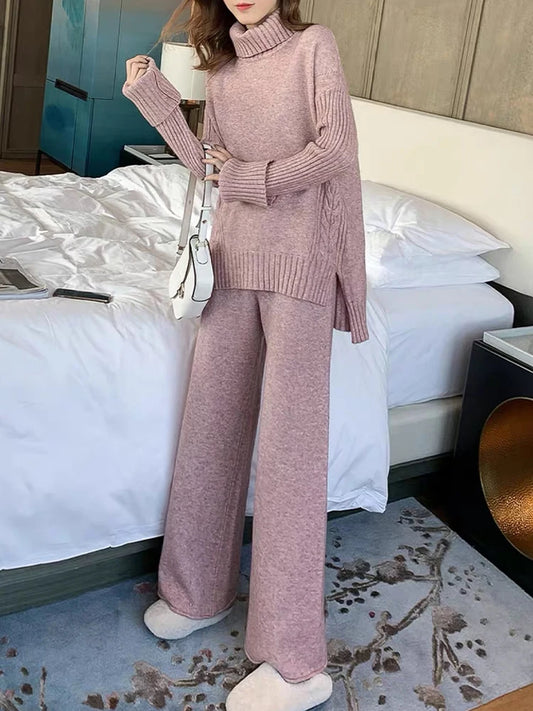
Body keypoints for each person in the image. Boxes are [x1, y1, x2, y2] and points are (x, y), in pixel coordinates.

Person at [122, 1, 369, 709]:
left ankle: (296, 663)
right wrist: (159, 104)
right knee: (211, 430)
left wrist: (250, 179)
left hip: (300, 268)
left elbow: (335, 150)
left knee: (289, 457)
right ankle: (199, 592)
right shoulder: (225, 69)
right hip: (230, 262)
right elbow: (210, 169)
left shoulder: (313, 47)